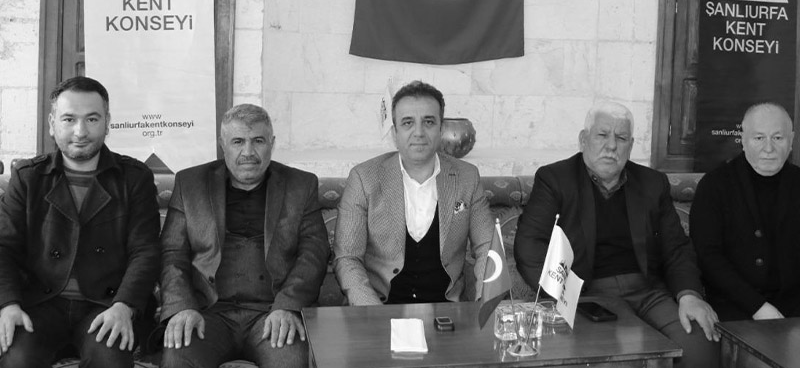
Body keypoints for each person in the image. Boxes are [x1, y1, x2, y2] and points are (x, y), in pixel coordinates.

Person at [514, 102, 719, 368]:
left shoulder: (653, 183)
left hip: (647, 292)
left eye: (621, 138)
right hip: (586, 294)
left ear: (630, 146)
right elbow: (529, 244)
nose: (612, 146)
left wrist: (689, 295)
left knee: (702, 344)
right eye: (602, 135)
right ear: (583, 140)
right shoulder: (555, 179)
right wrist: (563, 295)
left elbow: (677, 248)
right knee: (614, 359)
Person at [0, 76, 161, 367]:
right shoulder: (28, 177)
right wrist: (8, 304)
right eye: (69, 119)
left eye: (92, 119)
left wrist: (124, 305)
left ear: (107, 122)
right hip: (40, 303)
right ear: (52, 124)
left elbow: (145, 250)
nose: (80, 131)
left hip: (106, 305)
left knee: (110, 358)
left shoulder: (134, 178)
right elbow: (4, 247)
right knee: (17, 358)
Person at [159, 104, 329, 368]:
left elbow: (314, 254)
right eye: (238, 141)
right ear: (222, 145)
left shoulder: (300, 185)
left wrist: (288, 305)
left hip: (272, 313)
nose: (248, 152)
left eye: (258, 141)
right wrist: (182, 307)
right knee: (179, 357)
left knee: (293, 361)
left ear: (272, 143)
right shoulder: (190, 184)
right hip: (207, 313)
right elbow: (172, 253)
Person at [334, 81, 493, 306]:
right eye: (408, 122)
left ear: (441, 129)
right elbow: (347, 258)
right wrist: (372, 312)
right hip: (379, 308)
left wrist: (488, 304)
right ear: (395, 132)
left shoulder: (468, 177)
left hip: (446, 311)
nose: (418, 132)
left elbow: (488, 247)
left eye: (428, 122)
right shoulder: (364, 178)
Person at [691, 102, 800, 321]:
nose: (768, 148)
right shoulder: (715, 185)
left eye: (778, 138)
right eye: (759, 138)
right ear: (743, 140)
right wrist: (758, 307)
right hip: (735, 307)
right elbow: (708, 257)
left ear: (791, 141)